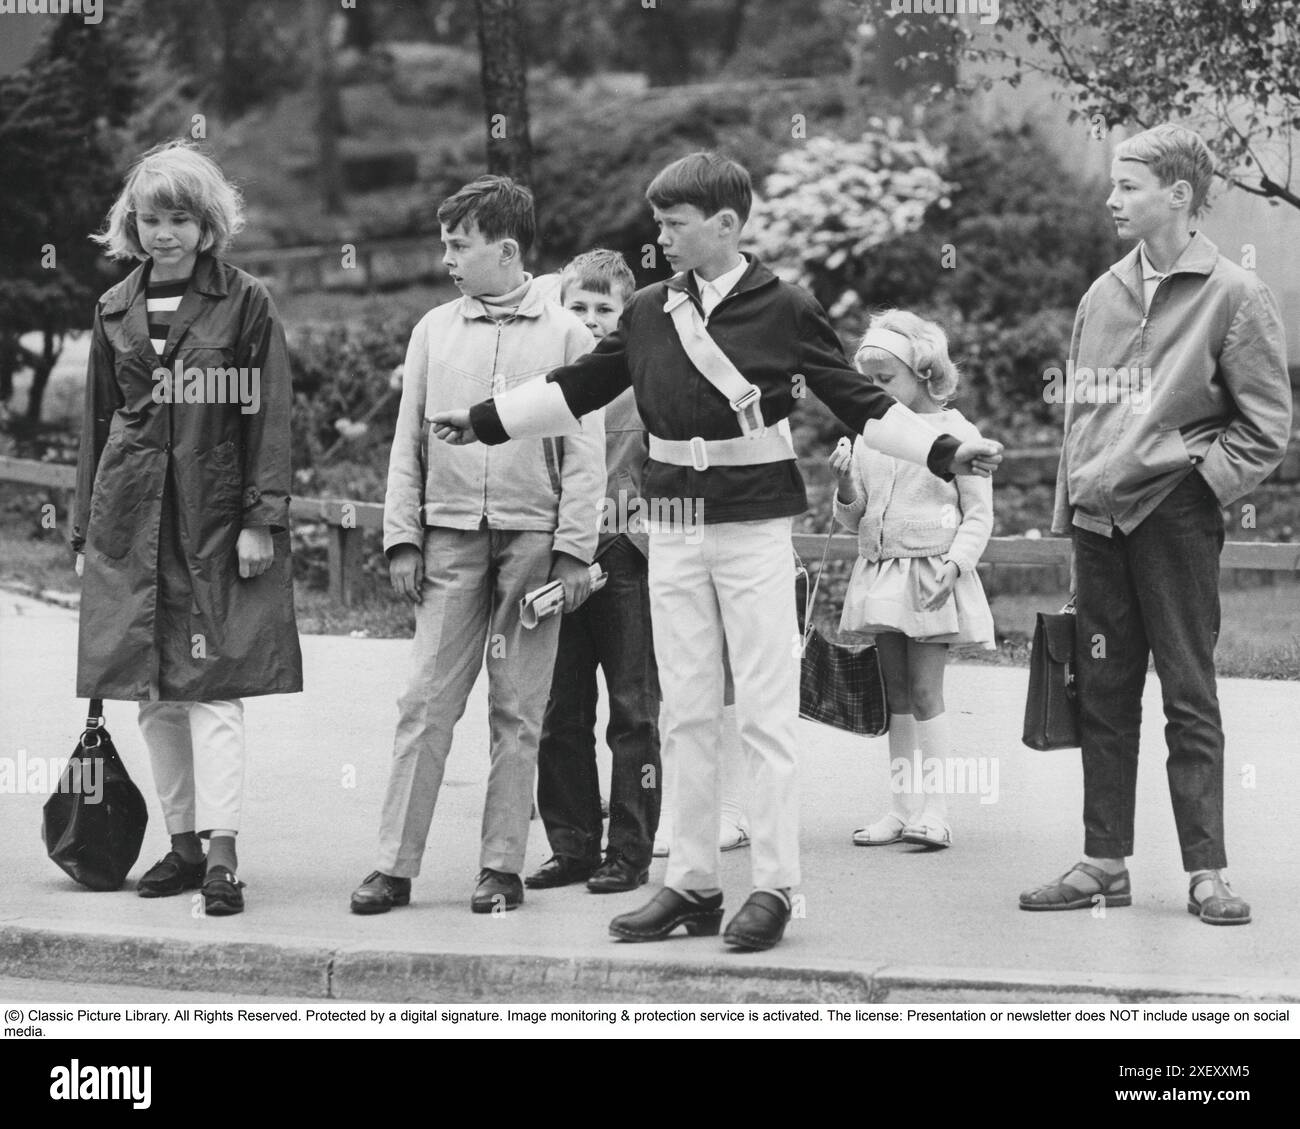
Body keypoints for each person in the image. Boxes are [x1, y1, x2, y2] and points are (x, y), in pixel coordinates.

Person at [431, 152, 1003, 951]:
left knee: (765, 712)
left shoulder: (787, 307)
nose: (659, 236)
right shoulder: (647, 311)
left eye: (675, 223)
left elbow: (859, 401)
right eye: (659, 222)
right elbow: (578, 385)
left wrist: (944, 453)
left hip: (752, 525)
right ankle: (692, 883)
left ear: (726, 225)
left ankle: (774, 884)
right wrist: (485, 418)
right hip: (672, 525)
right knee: (688, 710)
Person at [1021, 124, 1291, 925]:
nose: (1110, 199)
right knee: (1102, 693)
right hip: (1100, 527)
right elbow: (1081, 415)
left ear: (1179, 194)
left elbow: (1266, 423)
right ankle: (1104, 862)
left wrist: (1201, 485)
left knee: (1188, 691)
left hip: (1175, 519)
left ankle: (1207, 871)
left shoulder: (1236, 295)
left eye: (1127, 186)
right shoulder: (1101, 293)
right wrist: (1071, 513)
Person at [349, 175, 606, 917]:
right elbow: (406, 442)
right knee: (424, 701)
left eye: (459, 245)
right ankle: (393, 866)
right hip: (449, 541)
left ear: (507, 249)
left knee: (519, 709)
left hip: (532, 545)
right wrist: (402, 536)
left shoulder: (567, 334)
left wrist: (572, 551)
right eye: (444, 244)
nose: (447, 259)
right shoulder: (434, 329)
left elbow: (585, 455)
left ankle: (501, 867)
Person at [72, 140, 302, 916]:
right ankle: (180, 844)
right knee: (152, 693)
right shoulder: (113, 307)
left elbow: (268, 417)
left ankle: (224, 853)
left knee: (216, 687)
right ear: (131, 224)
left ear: (207, 225)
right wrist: (86, 533)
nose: (163, 231)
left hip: (213, 518)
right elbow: (97, 426)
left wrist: (260, 518)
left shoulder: (246, 303)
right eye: (150, 218)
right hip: (131, 518)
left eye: (179, 218)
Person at [524, 249, 663, 895]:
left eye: (603, 309)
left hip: (623, 553)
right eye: (576, 306)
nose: (588, 318)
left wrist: (637, 530)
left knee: (633, 709)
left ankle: (628, 850)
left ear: (624, 314)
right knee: (560, 708)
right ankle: (571, 844)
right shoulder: (542, 380)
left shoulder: (643, 376)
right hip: (555, 554)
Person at [829, 310, 994, 851]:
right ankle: (901, 808)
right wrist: (847, 483)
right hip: (881, 574)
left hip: (930, 573)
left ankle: (938, 810)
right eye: (869, 383)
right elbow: (855, 518)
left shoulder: (958, 434)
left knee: (926, 692)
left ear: (924, 373)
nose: (876, 393)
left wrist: (956, 563)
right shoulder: (873, 434)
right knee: (895, 694)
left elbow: (978, 514)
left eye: (886, 381)